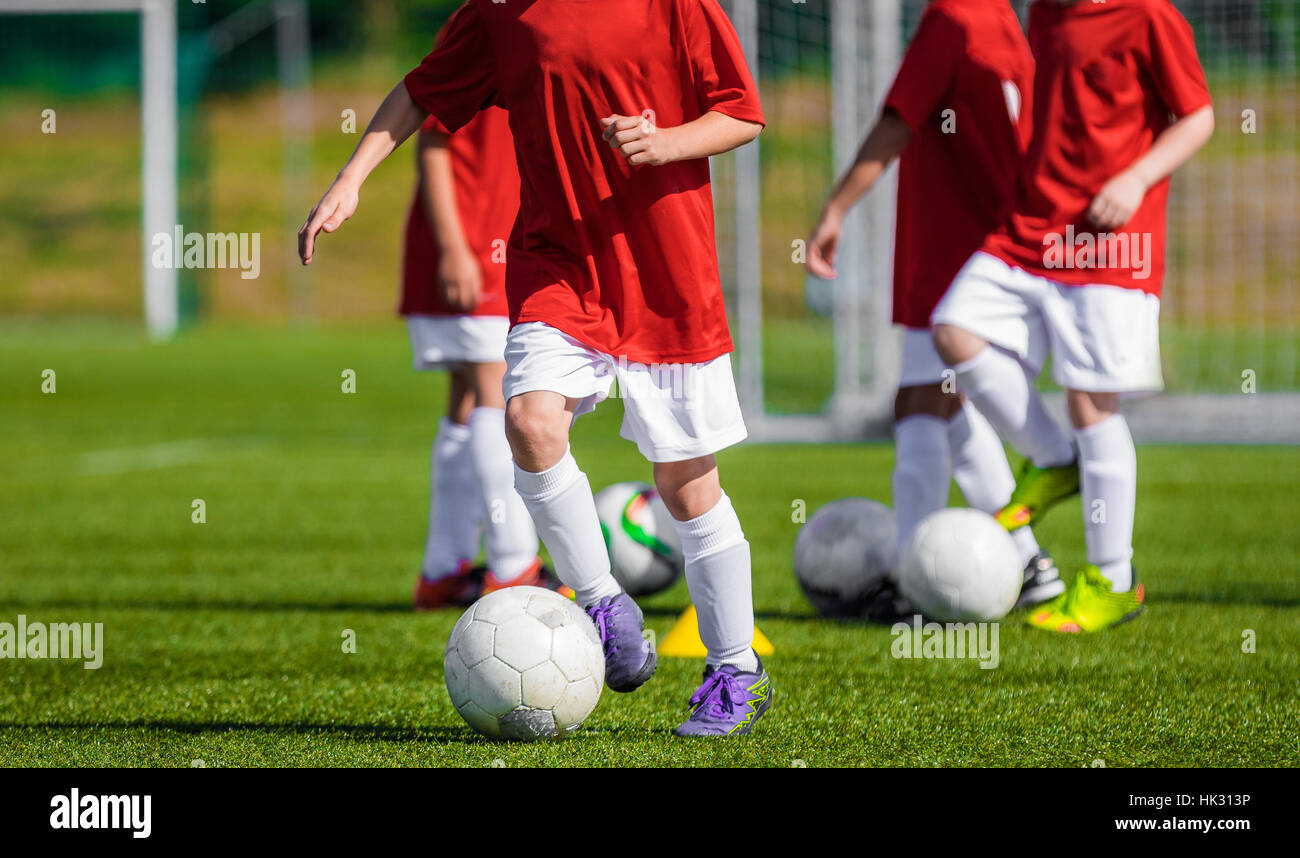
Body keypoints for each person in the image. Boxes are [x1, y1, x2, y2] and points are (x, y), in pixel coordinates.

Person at [299, 0, 771, 736]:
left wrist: (666, 142)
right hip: (558, 265)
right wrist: (350, 178)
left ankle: (736, 668)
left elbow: (740, 113)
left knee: (686, 483)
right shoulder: (497, 11)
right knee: (528, 420)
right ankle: (602, 601)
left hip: (666, 271)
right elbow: (422, 90)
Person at [930, 0, 1215, 632]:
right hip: (1032, 229)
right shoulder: (1047, 11)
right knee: (954, 328)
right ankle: (1055, 460)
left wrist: (1137, 179)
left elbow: (1198, 116)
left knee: (1093, 402)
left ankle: (1113, 580)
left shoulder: (1148, 14)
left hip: (1110, 241)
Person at [807, 0, 1062, 608]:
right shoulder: (1004, 22)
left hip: (958, 249)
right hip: (987, 242)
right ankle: (1021, 559)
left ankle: (920, 569)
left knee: (927, 398)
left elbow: (898, 123)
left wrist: (836, 207)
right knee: (938, 402)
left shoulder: (953, 17)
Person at [400, 107, 566, 611]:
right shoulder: (480, 28)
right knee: (499, 388)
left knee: (466, 398)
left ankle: (442, 572)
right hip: (476, 247)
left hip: (477, 243)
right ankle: (514, 566)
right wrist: (454, 246)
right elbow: (431, 140)